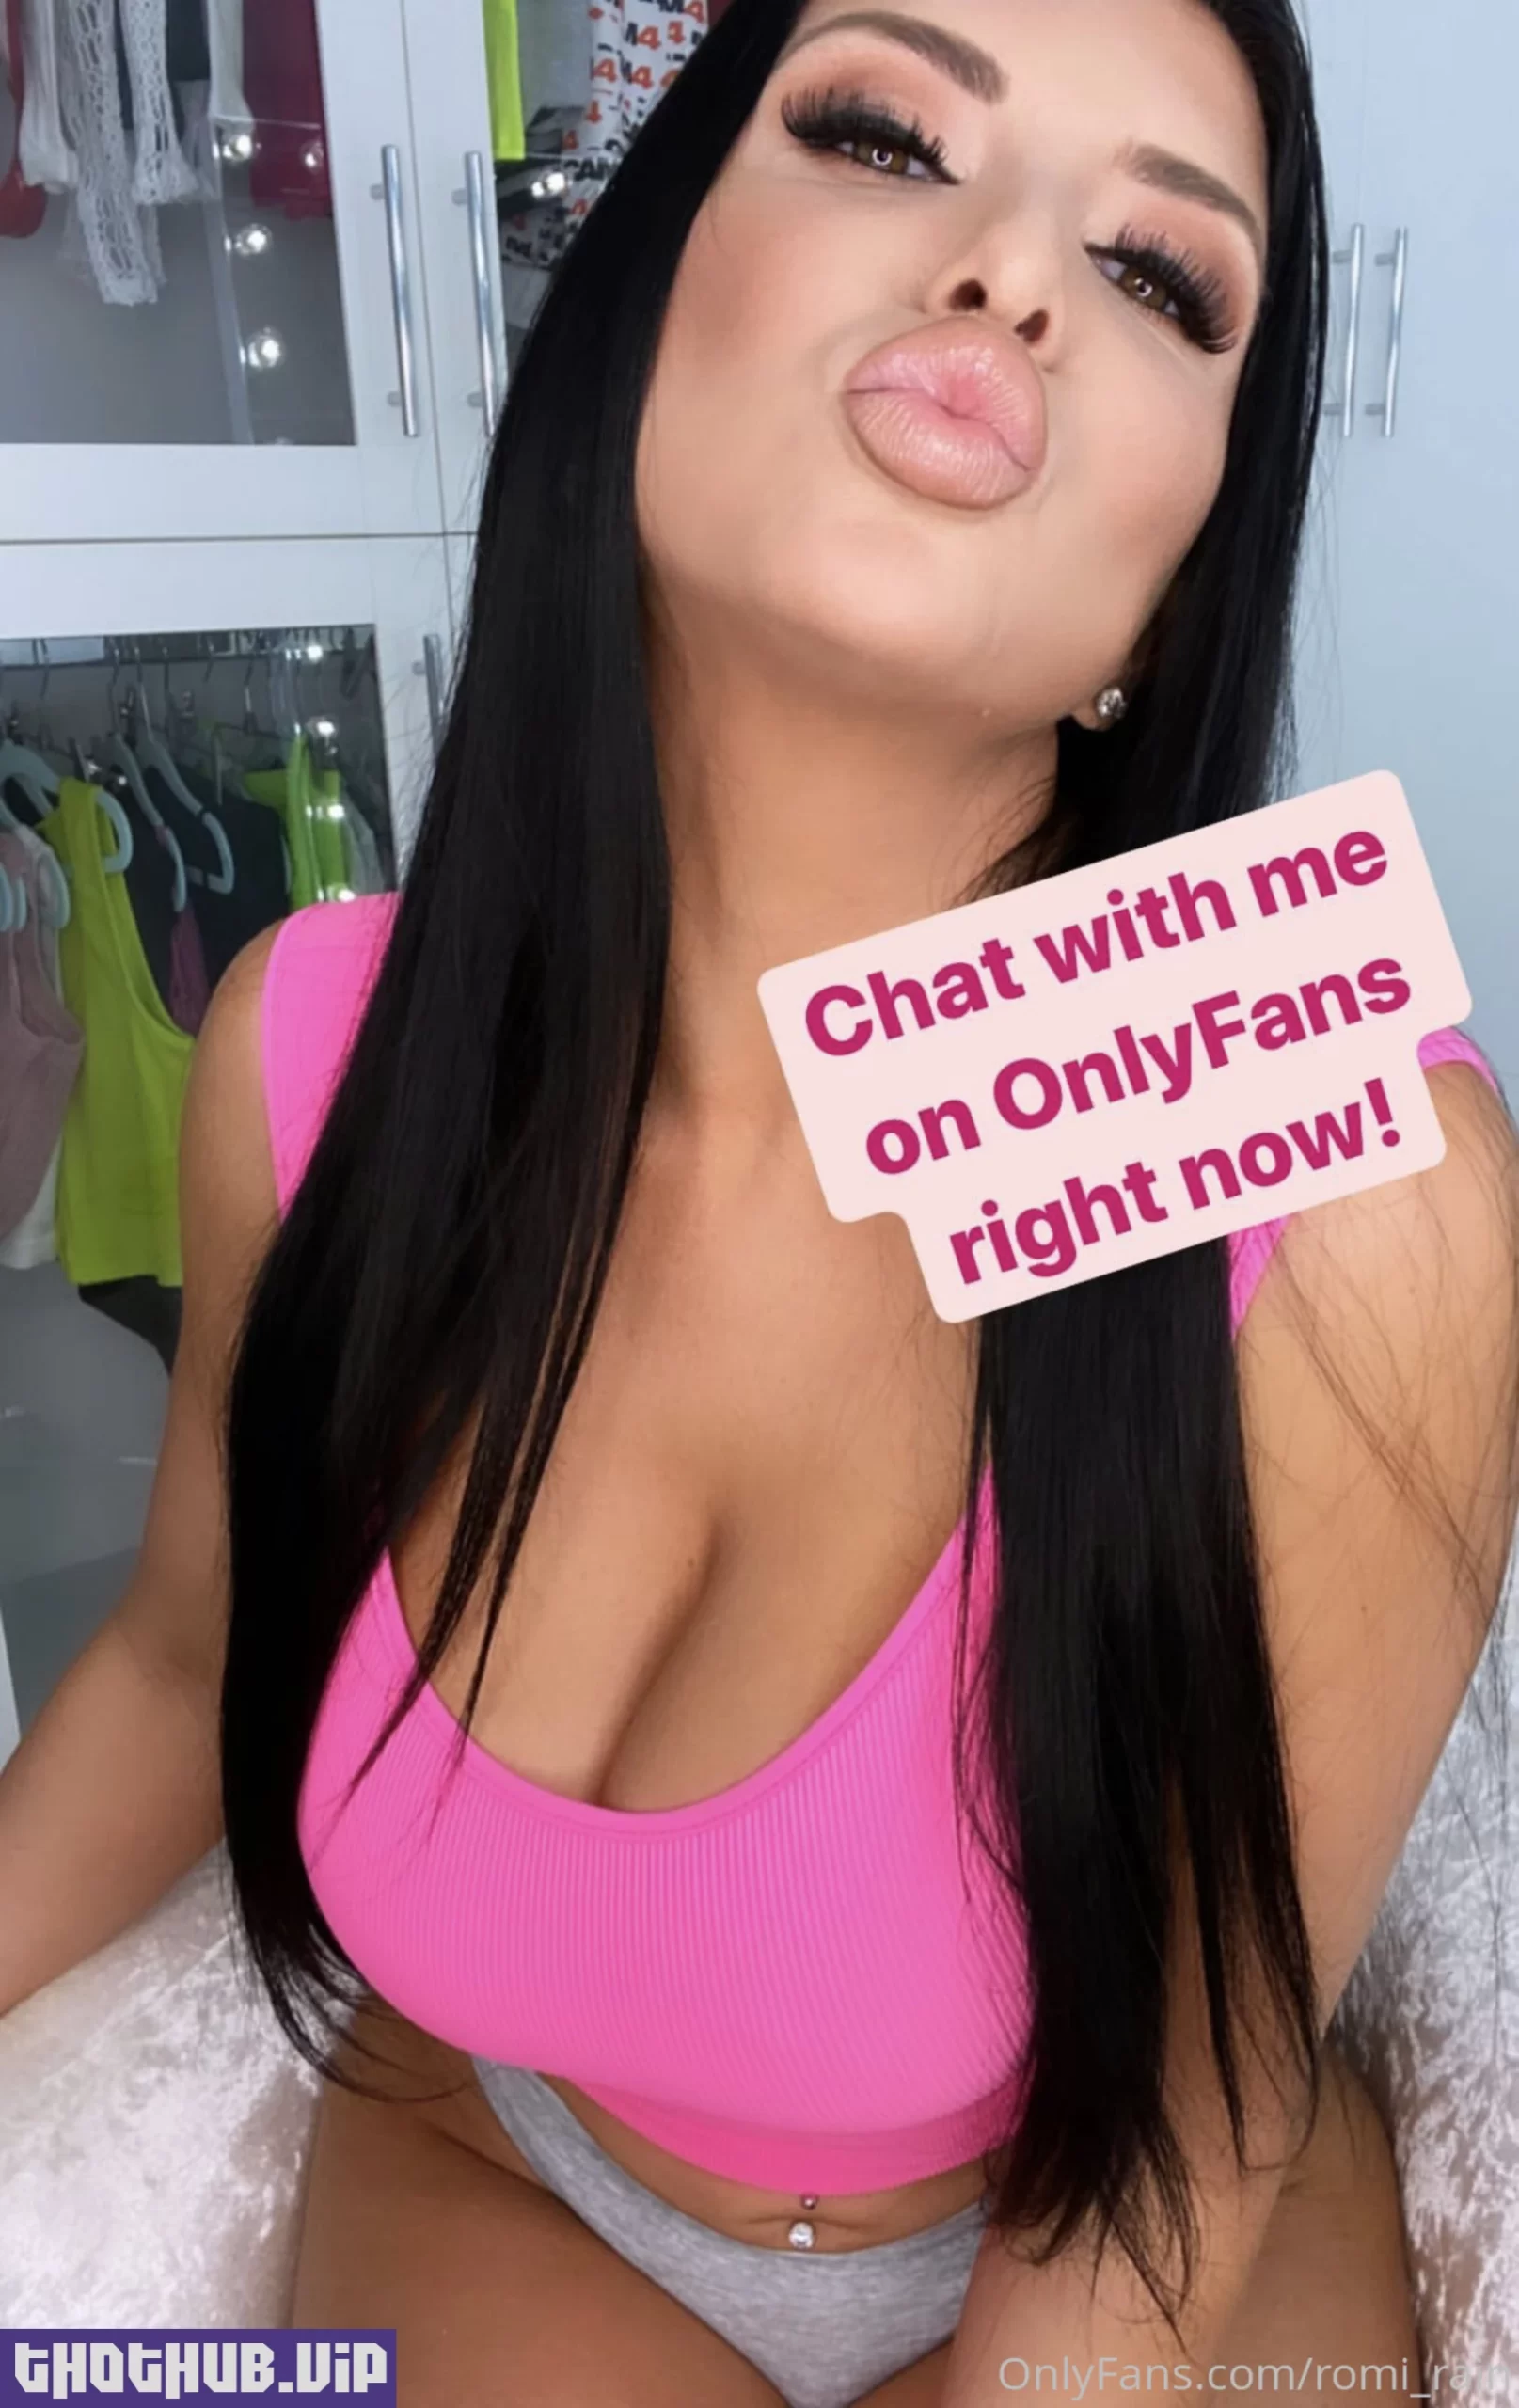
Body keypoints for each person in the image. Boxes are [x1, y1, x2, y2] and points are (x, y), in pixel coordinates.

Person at [4, 0, 1518, 2400]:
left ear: (1177, 581)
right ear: (635, 303)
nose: (1014, 275)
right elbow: (186, 1662)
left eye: (1162, 276)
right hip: (516, 2160)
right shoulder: (320, 1050)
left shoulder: (1345, 1167)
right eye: (884, 132)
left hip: (1113, 2221)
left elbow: (1182, 2136)